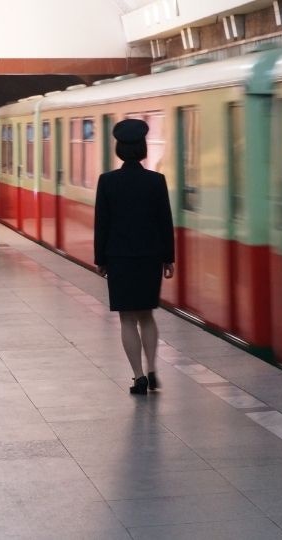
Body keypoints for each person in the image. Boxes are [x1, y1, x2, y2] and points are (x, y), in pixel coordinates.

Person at [94, 118, 175, 395]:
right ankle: (153, 370)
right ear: (143, 149)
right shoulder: (156, 181)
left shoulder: (107, 182)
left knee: (127, 318)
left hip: (119, 258)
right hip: (150, 257)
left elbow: (101, 224)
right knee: (147, 316)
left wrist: (100, 260)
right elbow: (165, 221)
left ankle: (138, 377)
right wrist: (168, 258)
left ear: (118, 149)